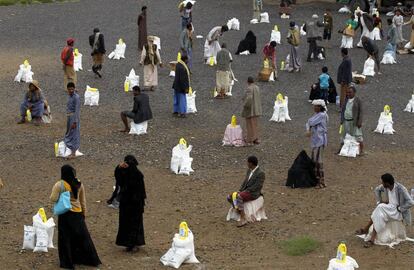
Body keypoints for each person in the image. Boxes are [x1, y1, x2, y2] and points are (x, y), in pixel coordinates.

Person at [50, 165, 101, 269]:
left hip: (65, 214)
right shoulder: (79, 183)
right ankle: (88, 259)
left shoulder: (59, 185)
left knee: (65, 239)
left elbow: (53, 198)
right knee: (82, 237)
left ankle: (67, 262)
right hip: (78, 214)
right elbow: (83, 200)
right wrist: (84, 213)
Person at [356, 173, 414, 248]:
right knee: (379, 212)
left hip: (397, 212)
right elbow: (377, 189)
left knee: (379, 208)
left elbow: (411, 202)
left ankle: (366, 230)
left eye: (382, 182)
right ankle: (371, 238)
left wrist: (400, 208)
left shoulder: (401, 189)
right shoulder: (386, 187)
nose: (381, 183)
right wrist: (379, 201)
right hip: (389, 208)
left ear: (387, 183)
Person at [115, 155, 147, 252]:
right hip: (129, 204)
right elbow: (119, 180)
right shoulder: (129, 174)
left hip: (132, 205)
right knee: (130, 225)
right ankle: (130, 244)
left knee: (131, 225)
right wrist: (118, 168)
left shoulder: (136, 175)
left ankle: (132, 244)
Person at [226, 156, 265, 227]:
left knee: (238, 196)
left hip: (253, 193)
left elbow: (257, 186)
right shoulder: (249, 170)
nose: (246, 163)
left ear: (251, 163)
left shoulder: (261, 173)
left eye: (247, 162)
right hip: (246, 191)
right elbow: (245, 182)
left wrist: (245, 192)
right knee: (229, 197)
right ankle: (238, 211)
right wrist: (240, 190)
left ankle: (243, 218)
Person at [306, 100, 328, 189]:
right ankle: (318, 180)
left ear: (320, 107)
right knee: (315, 160)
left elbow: (310, 122)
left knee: (318, 161)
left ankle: (320, 181)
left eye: (317, 106)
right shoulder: (318, 115)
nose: (315, 108)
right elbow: (309, 122)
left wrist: (308, 128)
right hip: (316, 140)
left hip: (320, 140)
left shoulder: (322, 115)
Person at [340, 86, 363, 154]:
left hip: (354, 122)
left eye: (350, 92)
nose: (348, 94)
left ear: (354, 92)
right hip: (345, 121)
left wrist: (359, 121)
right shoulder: (346, 100)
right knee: (343, 135)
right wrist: (341, 120)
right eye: (347, 92)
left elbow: (361, 111)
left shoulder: (358, 100)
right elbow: (343, 110)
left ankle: (361, 151)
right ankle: (341, 149)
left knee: (358, 136)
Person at [241, 77, 262, 146]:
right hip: (257, 109)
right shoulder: (257, 87)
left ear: (248, 82)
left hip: (251, 110)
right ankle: (256, 139)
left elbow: (249, 99)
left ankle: (250, 141)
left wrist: (245, 105)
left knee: (249, 126)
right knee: (255, 125)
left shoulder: (249, 88)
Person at [64, 82, 81, 158]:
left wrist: (75, 122)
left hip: (73, 117)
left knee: (74, 134)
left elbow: (77, 111)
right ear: (67, 89)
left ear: (74, 89)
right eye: (69, 89)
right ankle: (71, 150)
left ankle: (73, 153)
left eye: (72, 89)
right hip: (69, 117)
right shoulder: (69, 96)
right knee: (69, 133)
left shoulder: (76, 97)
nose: (71, 90)